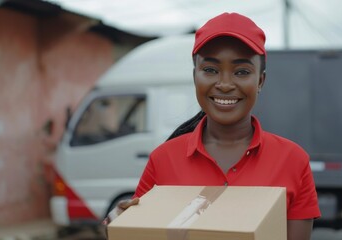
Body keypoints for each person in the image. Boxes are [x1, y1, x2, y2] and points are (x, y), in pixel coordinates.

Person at [105, 12, 321, 240]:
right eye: (210, 70)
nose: (225, 84)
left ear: (260, 81)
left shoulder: (293, 161)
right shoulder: (162, 160)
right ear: (194, 76)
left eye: (242, 72)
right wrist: (118, 226)